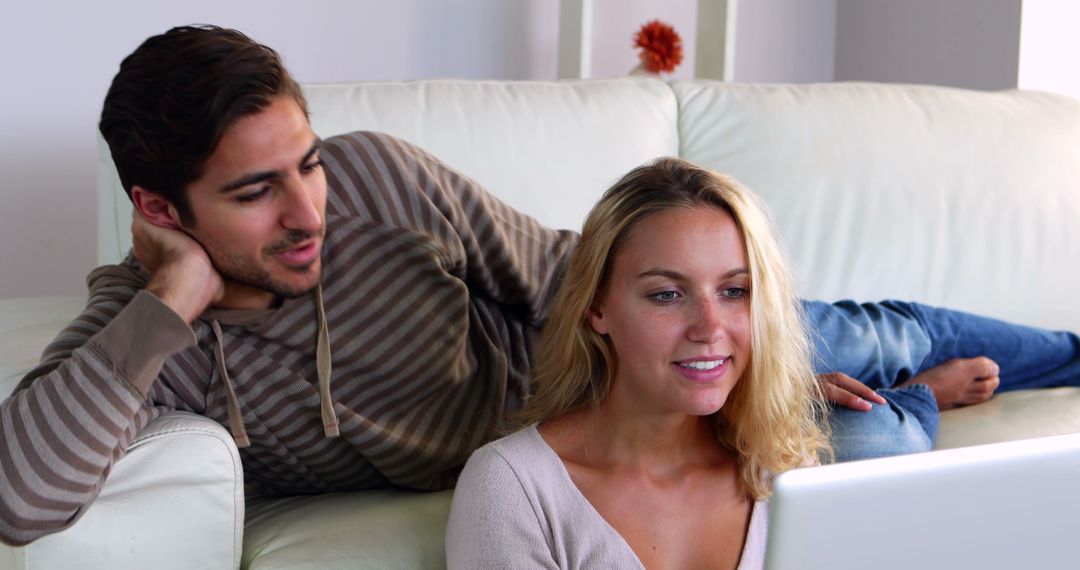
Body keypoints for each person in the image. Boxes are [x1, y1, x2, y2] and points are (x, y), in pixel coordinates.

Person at [2, 24, 1079, 546]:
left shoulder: (379, 177)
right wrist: (171, 304)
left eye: (308, 163)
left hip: (637, 360)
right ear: (160, 210)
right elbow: (18, 498)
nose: (308, 210)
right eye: (255, 192)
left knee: (876, 329)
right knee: (887, 437)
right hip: (576, 450)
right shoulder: (144, 336)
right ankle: (930, 396)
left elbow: (574, 277)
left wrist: (734, 361)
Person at [446, 158, 830, 569]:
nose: (710, 328)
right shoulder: (512, 487)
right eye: (666, 295)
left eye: (734, 291)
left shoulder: (783, 472)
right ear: (596, 307)